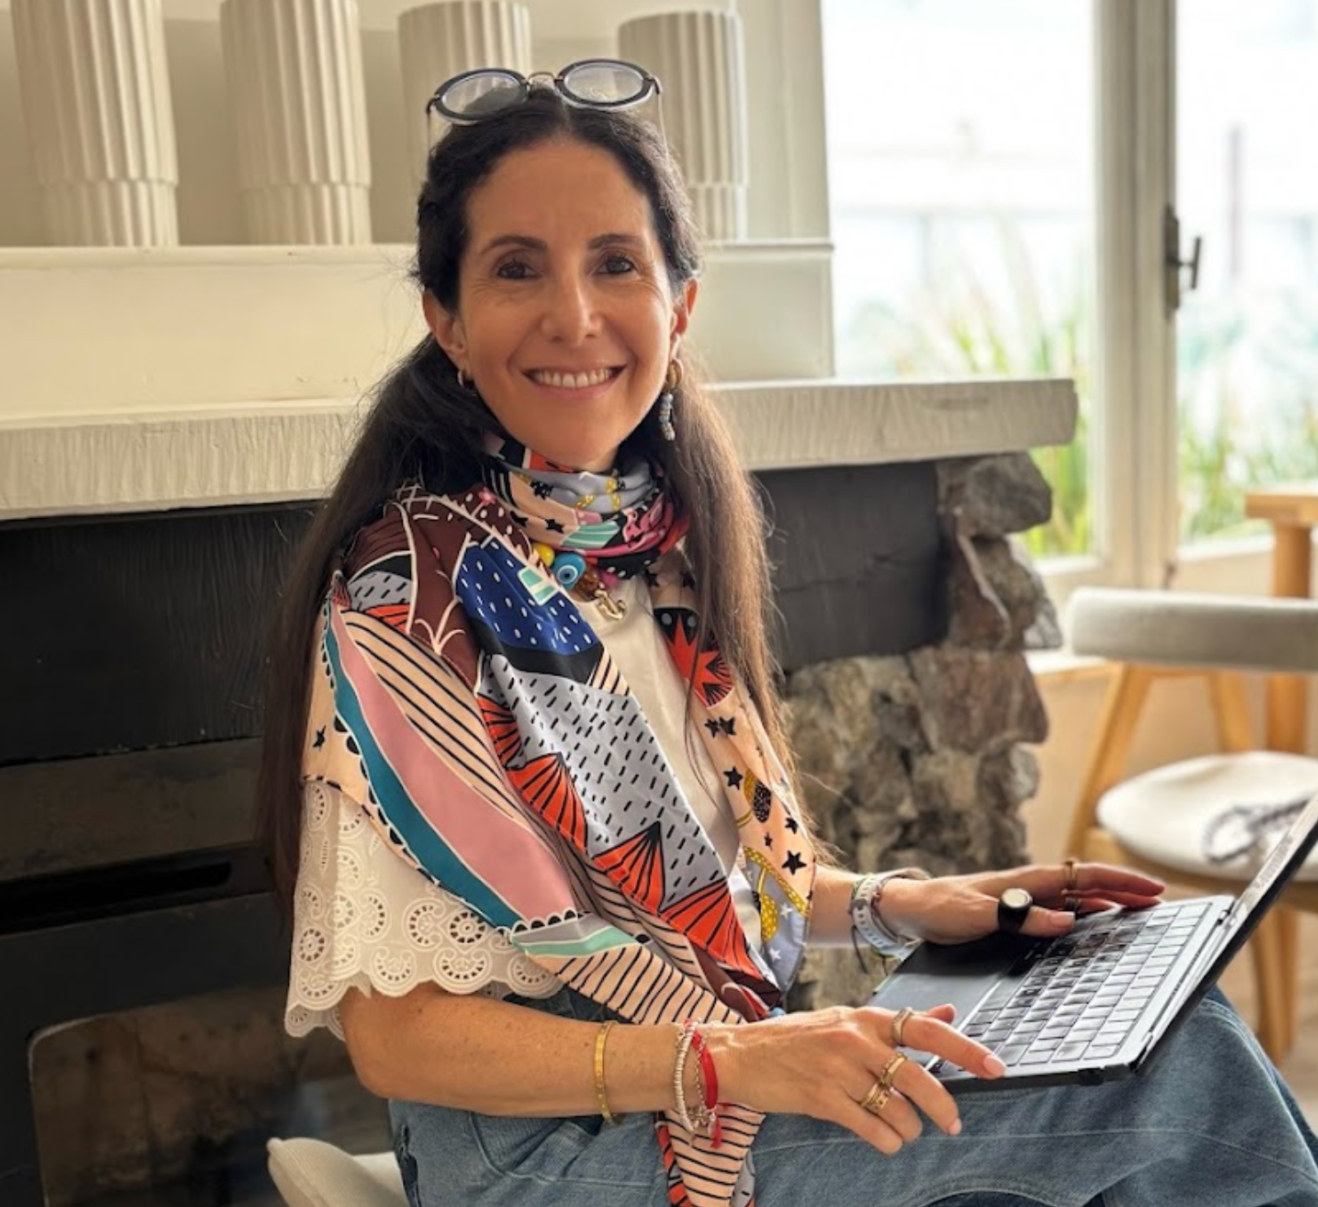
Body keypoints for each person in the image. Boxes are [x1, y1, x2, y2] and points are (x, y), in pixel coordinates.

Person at [257, 62, 1318, 1207]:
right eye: (518, 268)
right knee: (1165, 1084)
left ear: (678, 305)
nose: (574, 315)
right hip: (538, 1152)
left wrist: (905, 902)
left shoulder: (656, 562)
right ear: (448, 321)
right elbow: (397, 1038)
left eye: (615, 263)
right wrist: (728, 1058)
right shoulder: (404, 602)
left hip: (700, 1072)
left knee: (1155, 1011)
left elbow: (712, 885)